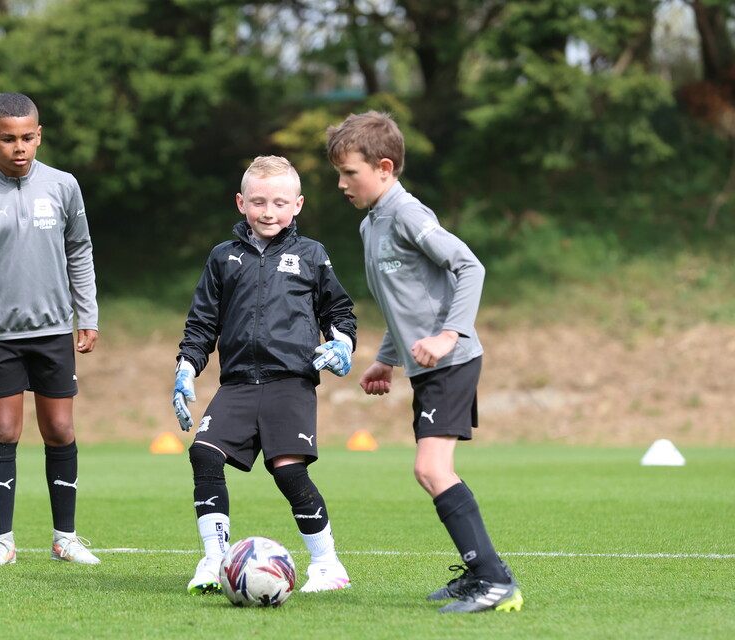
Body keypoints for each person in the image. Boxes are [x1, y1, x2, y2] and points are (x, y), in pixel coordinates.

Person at [325, 111, 523, 613]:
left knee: (431, 469)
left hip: (451, 362)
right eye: (338, 173)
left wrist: (449, 334)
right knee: (431, 470)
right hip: (428, 367)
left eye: (349, 173)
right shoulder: (371, 225)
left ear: (384, 168)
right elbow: (404, 304)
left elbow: (469, 266)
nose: (341, 184)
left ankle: (493, 581)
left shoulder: (408, 214)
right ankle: (482, 574)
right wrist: (385, 360)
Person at [173, 155, 357, 595]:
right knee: (204, 455)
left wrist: (343, 346)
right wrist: (185, 369)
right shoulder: (223, 257)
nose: (268, 212)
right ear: (241, 203)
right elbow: (201, 325)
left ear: (297, 205)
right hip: (237, 383)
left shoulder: (312, 254)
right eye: (258, 202)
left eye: (279, 203)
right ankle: (215, 560)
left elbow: (339, 313)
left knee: (288, 472)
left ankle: (328, 565)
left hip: (290, 381)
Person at [0, 92, 100, 567]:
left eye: (28, 138)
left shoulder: (64, 186)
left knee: (60, 429)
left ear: (39, 135)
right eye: (8, 139)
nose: (19, 147)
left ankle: (65, 539)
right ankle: (2, 542)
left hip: (53, 331)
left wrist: (88, 315)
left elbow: (80, 251)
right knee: (3, 430)